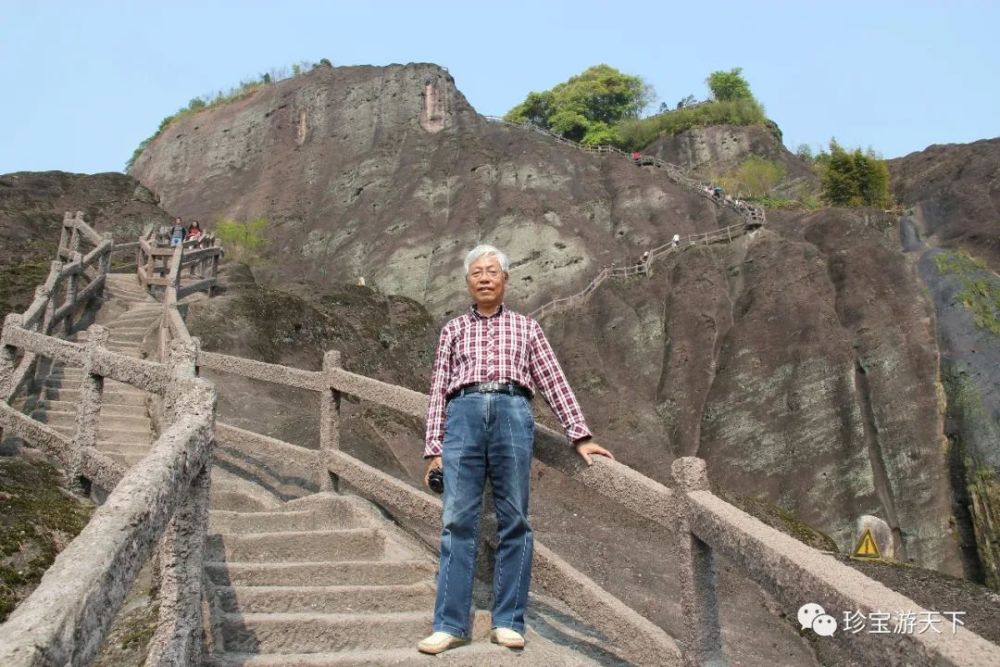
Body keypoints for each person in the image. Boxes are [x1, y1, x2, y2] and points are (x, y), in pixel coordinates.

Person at [418, 244, 614, 655]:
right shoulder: (452, 330)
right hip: (464, 413)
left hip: (512, 410)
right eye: (477, 272)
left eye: (493, 271)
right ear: (467, 282)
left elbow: (553, 379)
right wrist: (433, 448)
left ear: (506, 280)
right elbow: (438, 389)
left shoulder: (527, 327)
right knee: (457, 520)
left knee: (515, 518)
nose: (485, 277)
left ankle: (508, 621)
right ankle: (450, 624)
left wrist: (580, 434)